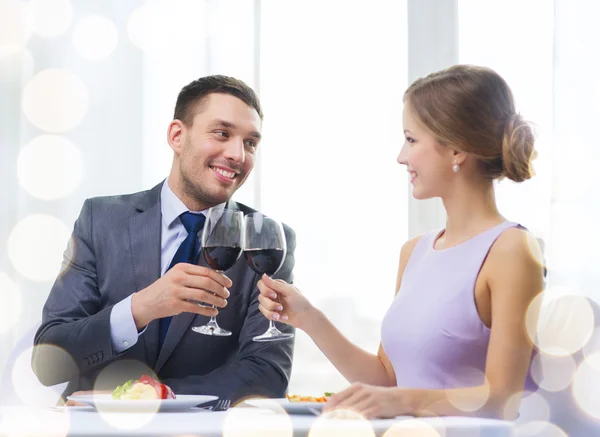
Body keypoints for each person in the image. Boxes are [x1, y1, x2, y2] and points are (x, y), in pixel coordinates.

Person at [256, 65, 544, 419]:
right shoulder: (414, 253)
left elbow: (503, 398)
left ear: (457, 150)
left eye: (411, 139)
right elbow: (387, 380)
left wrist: (405, 402)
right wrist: (309, 318)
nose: (401, 156)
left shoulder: (512, 250)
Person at [31, 75, 296, 403]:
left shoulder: (266, 240)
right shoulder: (100, 220)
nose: (238, 154)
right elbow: (47, 362)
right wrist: (139, 309)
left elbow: (268, 373)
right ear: (177, 136)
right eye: (222, 133)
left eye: (250, 143)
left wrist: (152, 397)